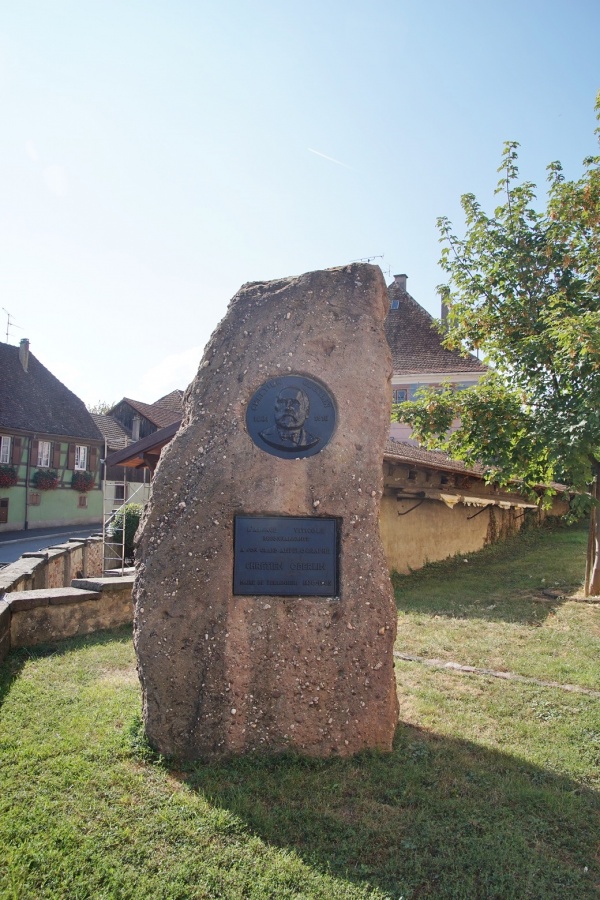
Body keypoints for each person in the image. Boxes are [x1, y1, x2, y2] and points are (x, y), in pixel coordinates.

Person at [259, 386, 320, 452]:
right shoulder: (265, 435)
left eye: (295, 403)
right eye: (282, 402)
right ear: (275, 409)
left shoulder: (311, 440)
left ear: (307, 412)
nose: (288, 407)